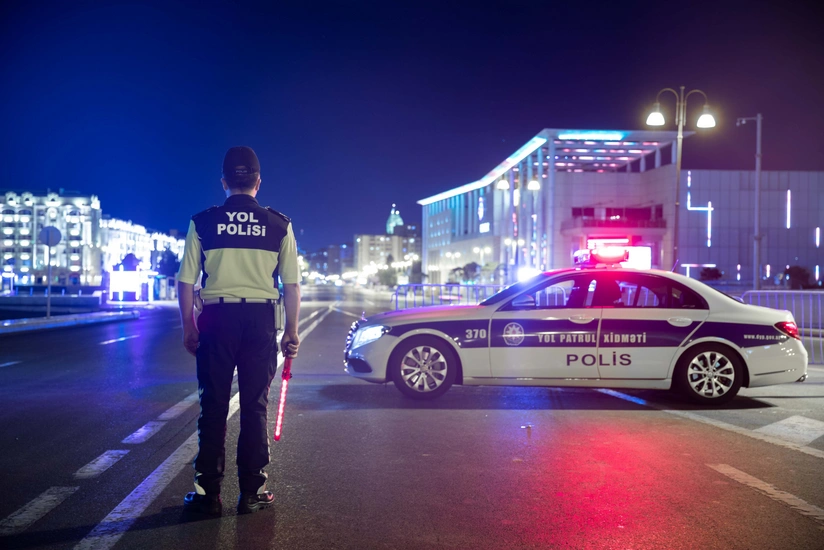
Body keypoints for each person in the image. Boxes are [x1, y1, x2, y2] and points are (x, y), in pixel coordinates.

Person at [176, 145, 301, 515]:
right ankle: (252, 492)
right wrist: (291, 331)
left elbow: (185, 281)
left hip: (216, 320)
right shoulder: (280, 224)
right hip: (260, 322)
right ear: (258, 184)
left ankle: (206, 494)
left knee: (212, 405)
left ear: (224, 183)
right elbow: (291, 286)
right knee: (254, 406)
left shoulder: (203, 222)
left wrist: (188, 325)